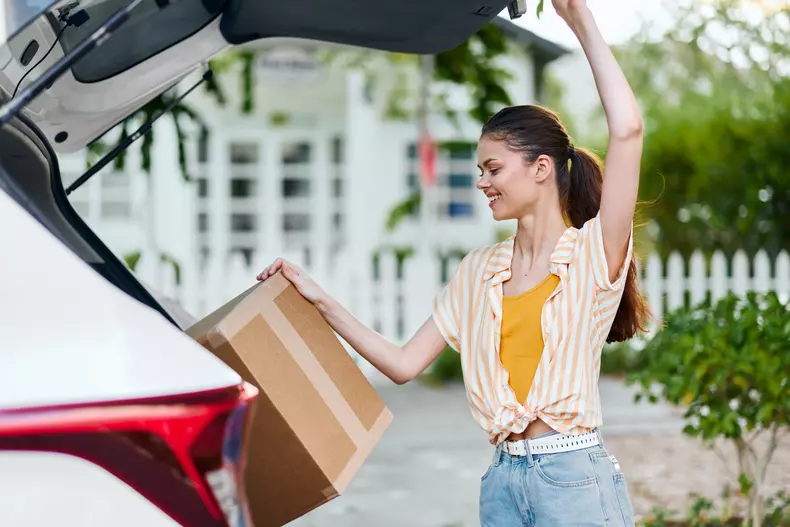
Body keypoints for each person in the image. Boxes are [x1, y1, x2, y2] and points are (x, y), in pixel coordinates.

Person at [257, 0, 648, 524]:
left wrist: (579, 19)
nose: (482, 182)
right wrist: (319, 299)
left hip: (574, 480)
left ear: (541, 168)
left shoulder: (592, 254)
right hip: (502, 485)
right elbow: (402, 365)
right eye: (480, 169)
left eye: (493, 168)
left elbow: (627, 130)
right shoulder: (478, 272)